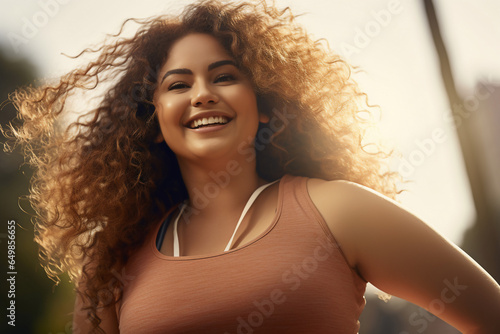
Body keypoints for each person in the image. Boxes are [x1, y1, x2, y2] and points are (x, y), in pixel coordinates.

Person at [5, 0, 500, 333]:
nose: (202, 93)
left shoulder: (340, 210)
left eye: (224, 76)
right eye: (178, 85)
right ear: (154, 121)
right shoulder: (112, 258)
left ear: (263, 105)